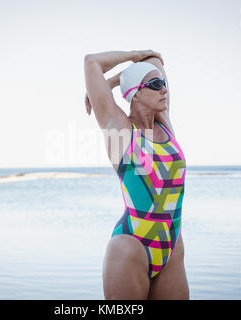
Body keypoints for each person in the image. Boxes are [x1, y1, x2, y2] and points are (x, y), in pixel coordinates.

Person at [84, 50, 188, 300]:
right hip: (131, 245)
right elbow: (92, 62)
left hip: (171, 248)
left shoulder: (164, 123)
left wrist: (112, 82)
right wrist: (133, 56)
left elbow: (155, 61)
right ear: (135, 94)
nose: (164, 89)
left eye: (163, 83)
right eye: (155, 85)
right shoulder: (119, 130)